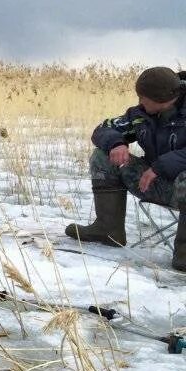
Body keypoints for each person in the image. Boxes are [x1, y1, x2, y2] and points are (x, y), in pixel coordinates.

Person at [65, 66, 186, 270]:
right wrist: (116, 143)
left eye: (143, 97)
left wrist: (161, 166)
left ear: (161, 98)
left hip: (178, 182)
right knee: (102, 156)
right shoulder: (140, 115)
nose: (139, 101)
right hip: (152, 183)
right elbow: (104, 128)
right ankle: (108, 229)